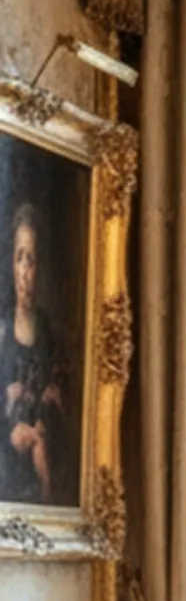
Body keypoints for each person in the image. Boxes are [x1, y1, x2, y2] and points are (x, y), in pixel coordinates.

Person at [1, 202, 70, 508]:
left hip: (41, 456)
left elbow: (59, 398)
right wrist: (9, 435)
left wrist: (45, 421)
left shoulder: (46, 331)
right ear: (11, 265)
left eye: (32, 260)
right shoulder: (1, 327)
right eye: (21, 259)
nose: (26, 271)